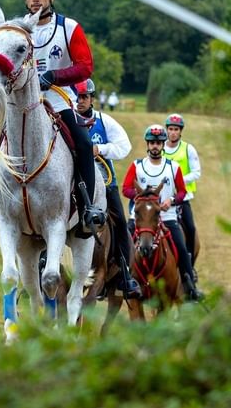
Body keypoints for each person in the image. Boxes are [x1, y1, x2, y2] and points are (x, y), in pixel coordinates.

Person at [21, 0, 106, 236]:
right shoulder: (17, 28)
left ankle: (87, 207)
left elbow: (85, 66)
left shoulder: (69, 28)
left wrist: (55, 75)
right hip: (22, 102)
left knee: (82, 143)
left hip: (57, 101)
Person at [75, 78, 141, 299]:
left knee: (121, 223)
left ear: (92, 98)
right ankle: (42, 268)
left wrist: (99, 149)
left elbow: (124, 146)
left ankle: (124, 273)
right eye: (76, 96)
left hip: (105, 182)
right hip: (72, 183)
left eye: (84, 97)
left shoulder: (105, 121)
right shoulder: (65, 120)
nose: (79, 101)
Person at [122, 124, 203, 302]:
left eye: (159, 142)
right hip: (140, 219)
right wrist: (142, 197)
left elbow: (182, 192)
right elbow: (126, 188)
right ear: (147, 144)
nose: (155, 146)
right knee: (123, 242)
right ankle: (122, 280)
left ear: (163, 144)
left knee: (181, 249)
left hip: (167, 217)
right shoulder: (137, 165)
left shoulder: (173, 167)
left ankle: (190, 287)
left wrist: (171, 200)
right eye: (152, 142)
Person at [164, 113, 200, 273]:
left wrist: (177, 180)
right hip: (163, 198)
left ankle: (190, 264)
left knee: (191, 229)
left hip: (182, 198)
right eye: (170, 129)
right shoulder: (159, 148)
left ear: (180, 131)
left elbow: (196, 172)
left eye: (176, 129)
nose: (173, 132)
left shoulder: (188, 149)